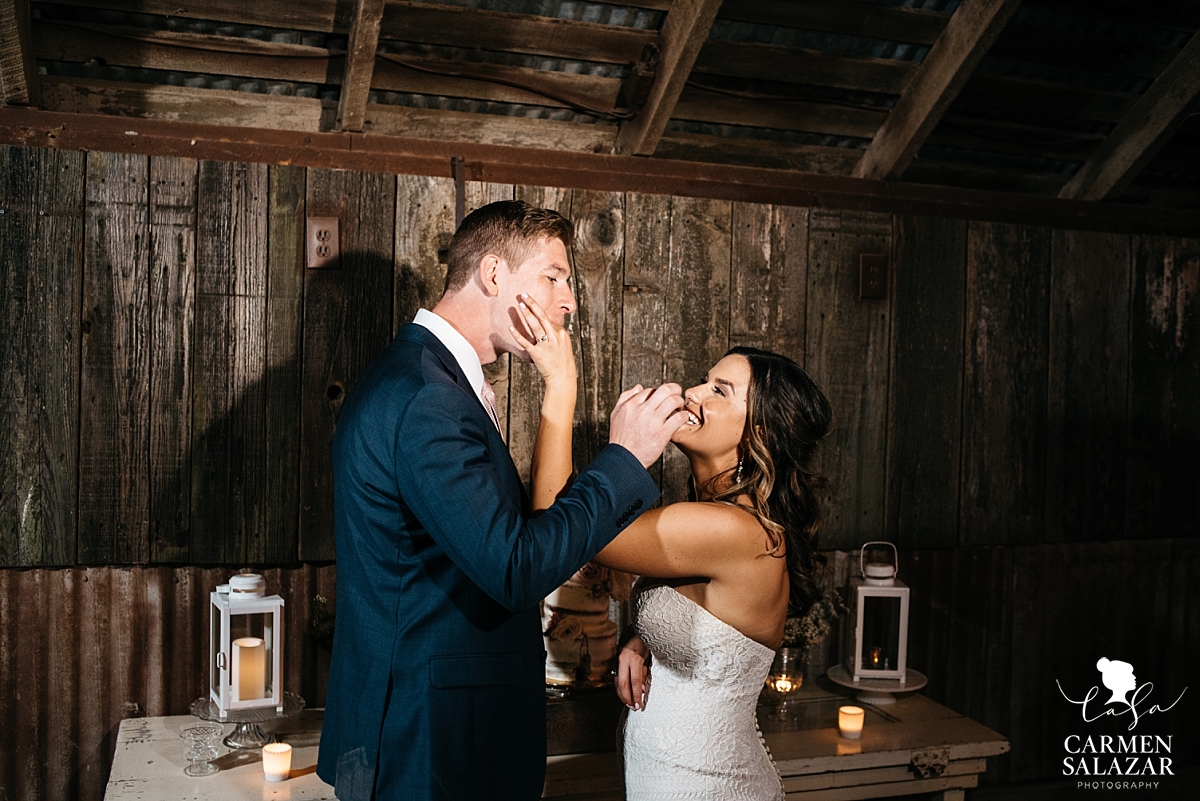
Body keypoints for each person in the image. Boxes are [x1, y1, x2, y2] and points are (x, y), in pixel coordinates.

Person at [316, 200, 688, 801]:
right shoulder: (428, 396)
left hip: (422, 726)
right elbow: (515, 569)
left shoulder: (424, 375)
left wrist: (560, 390)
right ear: (493, 275)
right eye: (553, 277)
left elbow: (511, 543)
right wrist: (624, 457)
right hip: (431, 746)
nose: (569, 303)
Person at [515, 302, 832, 801]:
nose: (693, 393)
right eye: (705, 380)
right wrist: (648, 644)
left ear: (761, 432)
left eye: (720, 391)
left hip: (709, 786)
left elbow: (559, 529)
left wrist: (560, 389)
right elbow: (715, 625)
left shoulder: (735, 530)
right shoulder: (714, 519)